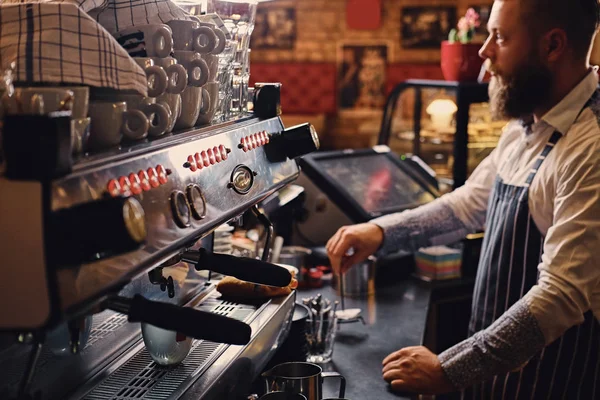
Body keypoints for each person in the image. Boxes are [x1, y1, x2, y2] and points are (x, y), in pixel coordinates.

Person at [326, 0, 600, 397]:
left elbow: (561, 295)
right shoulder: (530, 124)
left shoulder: (590, 145)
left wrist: (449, 368)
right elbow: (467, 206)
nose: (485, 51)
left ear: (553, 45)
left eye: (500, 37)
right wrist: (380, 232)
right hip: (496, 376)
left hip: (550, 381)